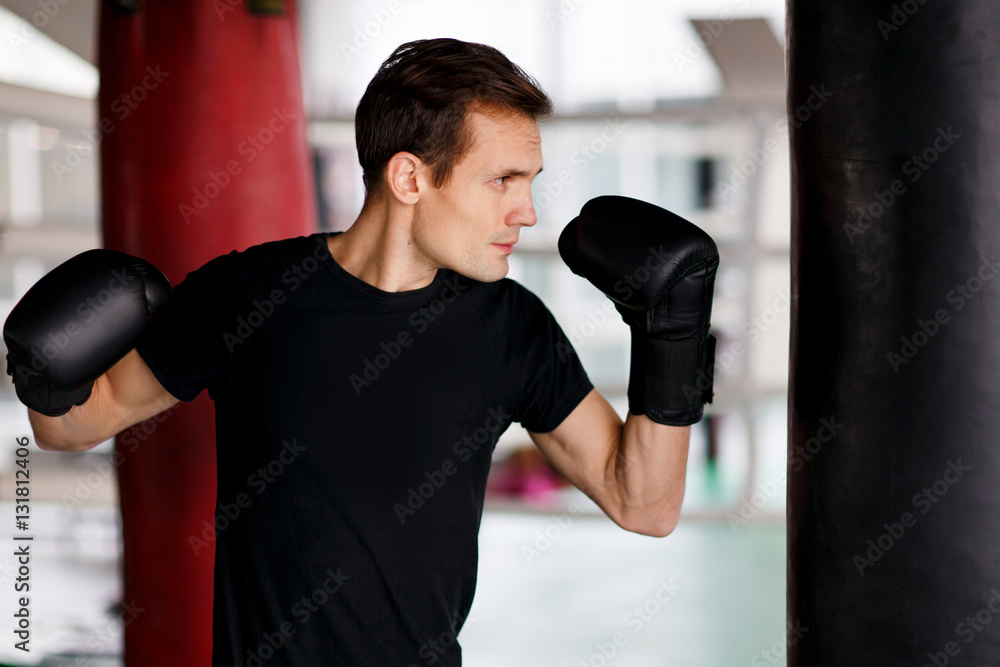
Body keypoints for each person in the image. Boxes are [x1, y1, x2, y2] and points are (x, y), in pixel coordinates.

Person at [5, 38, 717, 666]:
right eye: (502, 180)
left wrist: (671, 339)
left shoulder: (512, 328)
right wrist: (44, 367)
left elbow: (644, 503)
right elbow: (74, 424)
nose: (527, 211)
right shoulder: (249, 292)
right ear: (410, 178)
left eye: (530, 183)